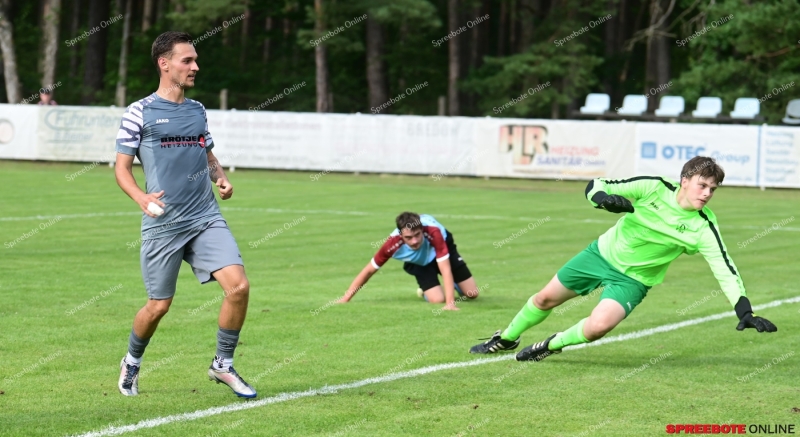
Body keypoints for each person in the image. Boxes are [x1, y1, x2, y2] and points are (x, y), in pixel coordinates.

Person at [470, 156, 777, 361]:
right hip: (600, 255)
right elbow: (597, 185)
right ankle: (507, 338)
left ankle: (549, 345)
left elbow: (725, 267)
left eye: (713, 189)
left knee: (597, 328)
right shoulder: (653, 187)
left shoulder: (703, 227)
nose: (708, 193)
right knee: (545, 299)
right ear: (685, 180)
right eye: (703, 185)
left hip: (634, 280)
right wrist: (604, 201)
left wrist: (744, 310)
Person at [114, 31, 255, 398]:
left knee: (239, 287)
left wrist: (221, 178)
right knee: (159, 306)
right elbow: (121, 169)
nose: (195, 66)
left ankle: (222, 364)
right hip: (164, 222)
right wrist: (141, 198)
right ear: (165, 64)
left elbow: (207, 154)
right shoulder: (139, 112)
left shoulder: (198, 110)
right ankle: (131, 361)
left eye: (195, 60)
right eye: (187, 60)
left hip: (205, 216)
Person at [338, 212, 479, 310]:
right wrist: (346, 298)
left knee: (472, 294)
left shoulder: (434, 233)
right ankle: (425, 292)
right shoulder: (391, 245)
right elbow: (369, 270)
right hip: (418, 262)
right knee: (437, 300)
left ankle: (455, 285)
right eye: (409, 238)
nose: (415, 241)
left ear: (422, 229)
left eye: (417, 235)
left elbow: (445, 268)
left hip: (442, 250)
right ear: (401, 235)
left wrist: (450, 304)